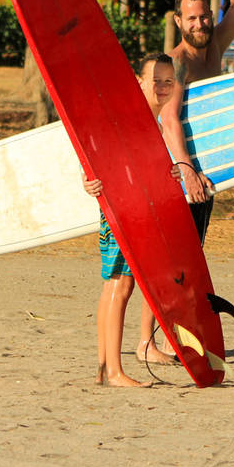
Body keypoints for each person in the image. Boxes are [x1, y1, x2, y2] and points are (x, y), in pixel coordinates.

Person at [84, 52, 181, 387]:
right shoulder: (131, 117)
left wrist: (165, 174)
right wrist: (89, 179)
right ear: (139, 82)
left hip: (129, 207)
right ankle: (113, 372)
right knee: (120, 284)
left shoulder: (148, 121)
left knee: (116, 284)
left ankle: (104, 368)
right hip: (120, 209)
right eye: (156, 80)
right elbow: (99, 146)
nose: (163, 87)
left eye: (169, 81)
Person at [159, 0, 234, 251]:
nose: (199, 24)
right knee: (178, 258)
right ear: (178, 21)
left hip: (204, 172)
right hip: (176, 174)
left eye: (204, 16)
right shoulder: (176, 63)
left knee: (194, 251)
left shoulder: (215, 47)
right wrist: (187, 170)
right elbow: (169, 119)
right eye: (191, 19)